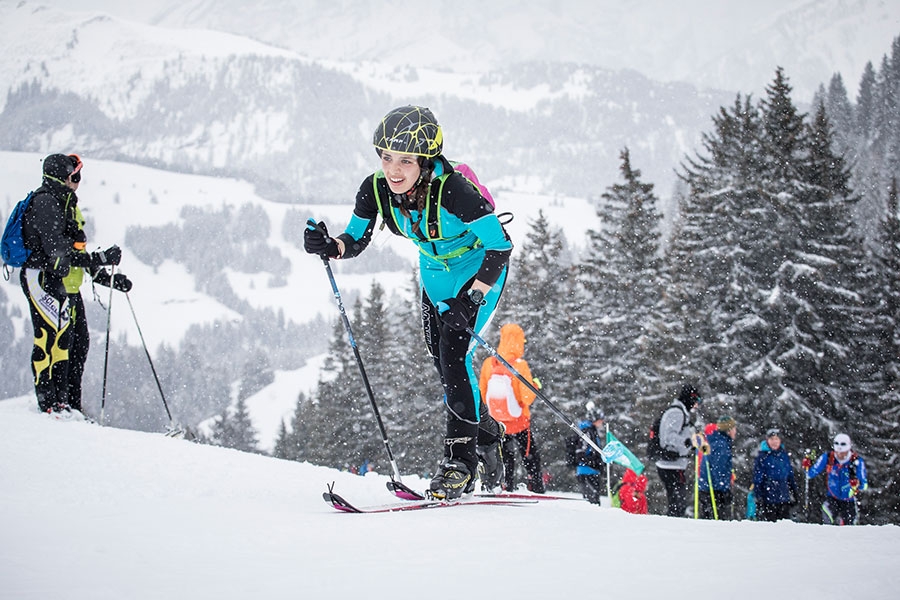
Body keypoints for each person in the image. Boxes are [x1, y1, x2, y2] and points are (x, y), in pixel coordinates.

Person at [303, 106, 512, 500]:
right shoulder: (376, 189)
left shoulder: (454, 192)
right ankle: (487, 432)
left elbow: (501, 246)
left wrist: (474, 297)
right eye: (386, 157)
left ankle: (460, 464)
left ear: (426, 160)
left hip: (478, 267)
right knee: (441, 356)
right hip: (435, 272)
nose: (393, 169)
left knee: (454, 350)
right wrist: (330, 246)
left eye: (405, 160)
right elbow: (355, 239)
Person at [20, 153, 131, 415]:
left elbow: (74, 252)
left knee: (76, 346)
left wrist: (106, 278)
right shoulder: (47, 203)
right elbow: (59, 254)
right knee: (50, 340)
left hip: (67, 285)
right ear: (61, 177)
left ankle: (68, 404)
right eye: (75, 176)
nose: (78, 182)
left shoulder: (67, 204)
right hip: (44, 280)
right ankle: (50, 403)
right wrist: (101, 258)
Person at [478, 322, 544, 493]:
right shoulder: (519, 365)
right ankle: (535, 486)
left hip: (498, 423)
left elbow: (483, 392)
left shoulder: (489, 363)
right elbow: (527, 397)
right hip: (519, 421)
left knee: (506, 457)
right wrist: (535, 387)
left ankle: (506, 486)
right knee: (530, 456)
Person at [654, 384, 701, 517]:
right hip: (671, 464)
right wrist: (687, 442)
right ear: (690, 399)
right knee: (678, 503)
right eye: (697, 401)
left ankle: (673, 527)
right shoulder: (677, 413)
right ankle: (673, 529)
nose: (697, 405)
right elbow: (668, 436)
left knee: (677, 502)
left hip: (673, 463)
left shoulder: (680, 412)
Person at [805, 433, 868, 525]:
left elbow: (864, 485)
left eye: (842, 451)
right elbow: (810, 474)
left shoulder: (856, 461)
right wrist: (808, 464)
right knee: (827, 516)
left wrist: (856, 485)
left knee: (849, 526)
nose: (839, 454)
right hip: (832, 497)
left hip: (848, 500)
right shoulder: (828, 457)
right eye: (837, 450)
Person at [752, 428, 799, 522]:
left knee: (784, 525)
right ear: (767, 441)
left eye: (776, 439)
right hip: (768, 498)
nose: (774, 442)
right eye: (772, 439)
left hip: (783, 497)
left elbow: (789, 475)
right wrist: (759, 496)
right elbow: (758, 478)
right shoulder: (763, 457)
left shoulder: (784, 455)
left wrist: (794, 492)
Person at [566, 402, 606, 504]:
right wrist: (595, 463)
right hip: (587, 471)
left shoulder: (592, 431)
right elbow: (581, 454)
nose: (602, 422)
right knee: (591, 502)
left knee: (593, 500)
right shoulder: (587, 433)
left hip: (591, 471)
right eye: (600, 419)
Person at [697, 416, 736, 519]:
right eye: (733, 428)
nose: (735, 431)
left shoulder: (717, 441)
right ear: (728, 430)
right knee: (718, 523)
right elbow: (718, 470)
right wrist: (723, 491)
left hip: (707, 488)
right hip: (714, 491)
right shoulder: (721, 445)